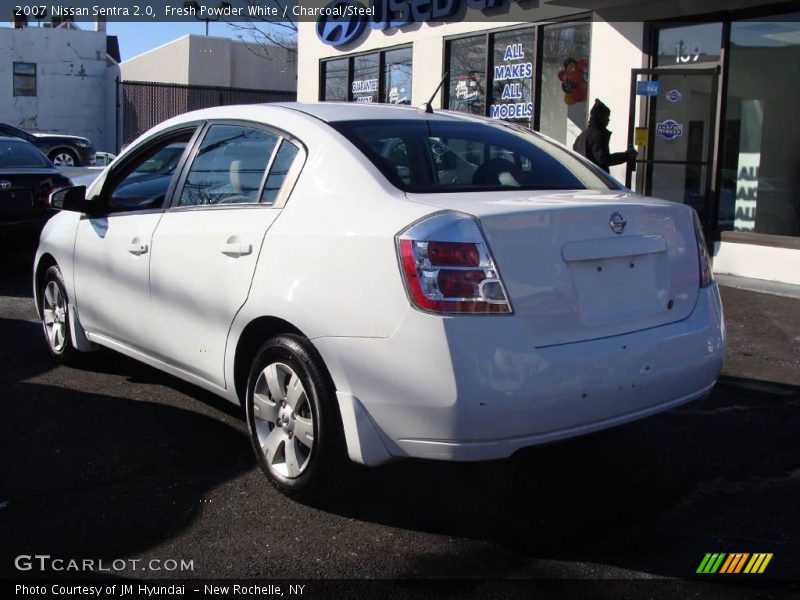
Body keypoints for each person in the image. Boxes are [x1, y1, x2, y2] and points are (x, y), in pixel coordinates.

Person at [573, 99, 637, 173]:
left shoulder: (583, 135)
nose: (608, 120)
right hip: (596, 179)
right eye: (607, 117)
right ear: (600, 118)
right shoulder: (597, 135)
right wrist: (627, 155)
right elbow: (604, 159)